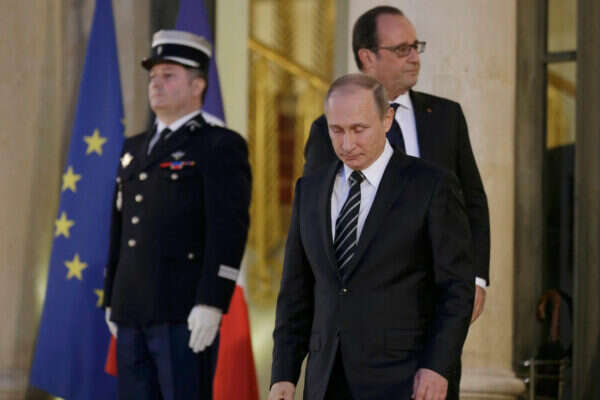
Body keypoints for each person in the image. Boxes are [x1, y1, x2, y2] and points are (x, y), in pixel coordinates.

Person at [303, 7, 490, 396]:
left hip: (436, 304)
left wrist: (474, 278)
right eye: (402, 49)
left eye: (416, 47)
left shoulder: (445, 116)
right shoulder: (326, 131)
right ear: (367, 56)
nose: (415, 57)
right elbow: (318, 220)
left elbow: (472, 202)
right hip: (365, 326)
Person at [269, 74, 474, 400]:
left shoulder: (432, 185)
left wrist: (437, 366)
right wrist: (283, 374)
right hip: (325, 380)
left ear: (387, 119)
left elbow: (456, 289)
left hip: (404, 379)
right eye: (337, 130)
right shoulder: (309, 190)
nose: (347, 144)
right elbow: (296, 292)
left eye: (358, 129)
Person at [102, 30, 251, 399]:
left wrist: (212, 300)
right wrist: (113, 297)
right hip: (131, 308)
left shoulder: (218, 144)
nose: (156, 83)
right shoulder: (133, 148)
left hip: (183, 309)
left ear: (198, 85)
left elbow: (228, 228)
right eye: (153, 76)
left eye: (168, 75)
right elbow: (121, 226)